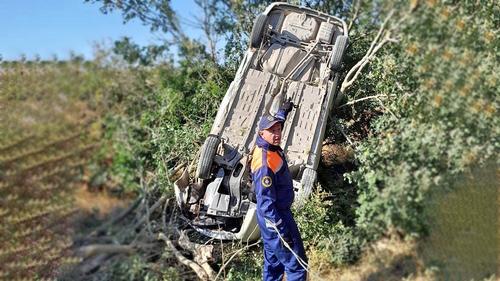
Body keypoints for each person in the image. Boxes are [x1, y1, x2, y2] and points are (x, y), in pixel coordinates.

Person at [250, 101, 308, 281]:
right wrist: (281, 232)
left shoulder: (267, 145)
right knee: (297, 266)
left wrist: (283, 111)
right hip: (276, 218)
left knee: (273, 266)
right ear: (261, 134)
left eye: (278, 130)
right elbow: (266, 204)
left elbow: (276, 123)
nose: (277, 134)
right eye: (272, 131)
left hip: (269, 221)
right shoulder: (265, 165)